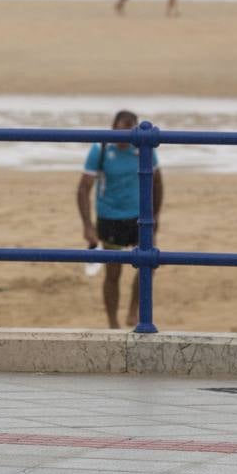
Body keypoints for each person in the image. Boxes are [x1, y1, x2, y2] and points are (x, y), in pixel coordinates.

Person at [76, 110, 164, 329]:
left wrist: (155, 215)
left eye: (129, 129)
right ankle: (113, 322)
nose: (125, 134)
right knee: (113, 273)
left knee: (149, 265)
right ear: (113, 127)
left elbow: (158, 182)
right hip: (110, 218)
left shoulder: (143, 147)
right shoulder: (101, 149)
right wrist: (88, 226)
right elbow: (83, 188)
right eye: (121, 128)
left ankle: (134, 311)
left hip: (139, 218)